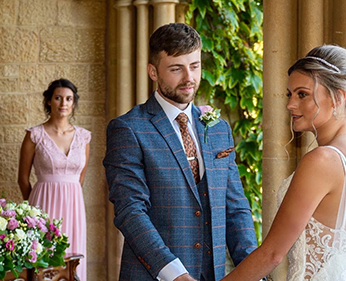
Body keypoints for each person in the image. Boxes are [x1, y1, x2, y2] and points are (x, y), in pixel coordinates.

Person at [221, 45, 346, 281]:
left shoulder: (322, 161)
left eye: (302, 94)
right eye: (290, 94)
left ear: (338, 97)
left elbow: (272, 254)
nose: (290, 104)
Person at [103, 23, 257, 281]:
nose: (189, 78)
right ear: (153, 71)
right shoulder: (129, 128)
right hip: (154, 275)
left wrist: (255, 272)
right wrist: (174, 274)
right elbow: (131, 211)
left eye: (195, 66)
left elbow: (235, 208)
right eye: (176, 69)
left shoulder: (218, 129)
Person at [18, 78, 90, 281]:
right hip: (42, 205)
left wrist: (70, 196)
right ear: (49, 101)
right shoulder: (35, 135)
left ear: (73, 103)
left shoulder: (84, 137)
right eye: (58, 98)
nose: (63, 103)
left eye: (68, 98)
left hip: (74, 206)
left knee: (72, 262)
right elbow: (23, 178)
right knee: (43, 260)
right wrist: (34, 211)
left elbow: (80, 177)